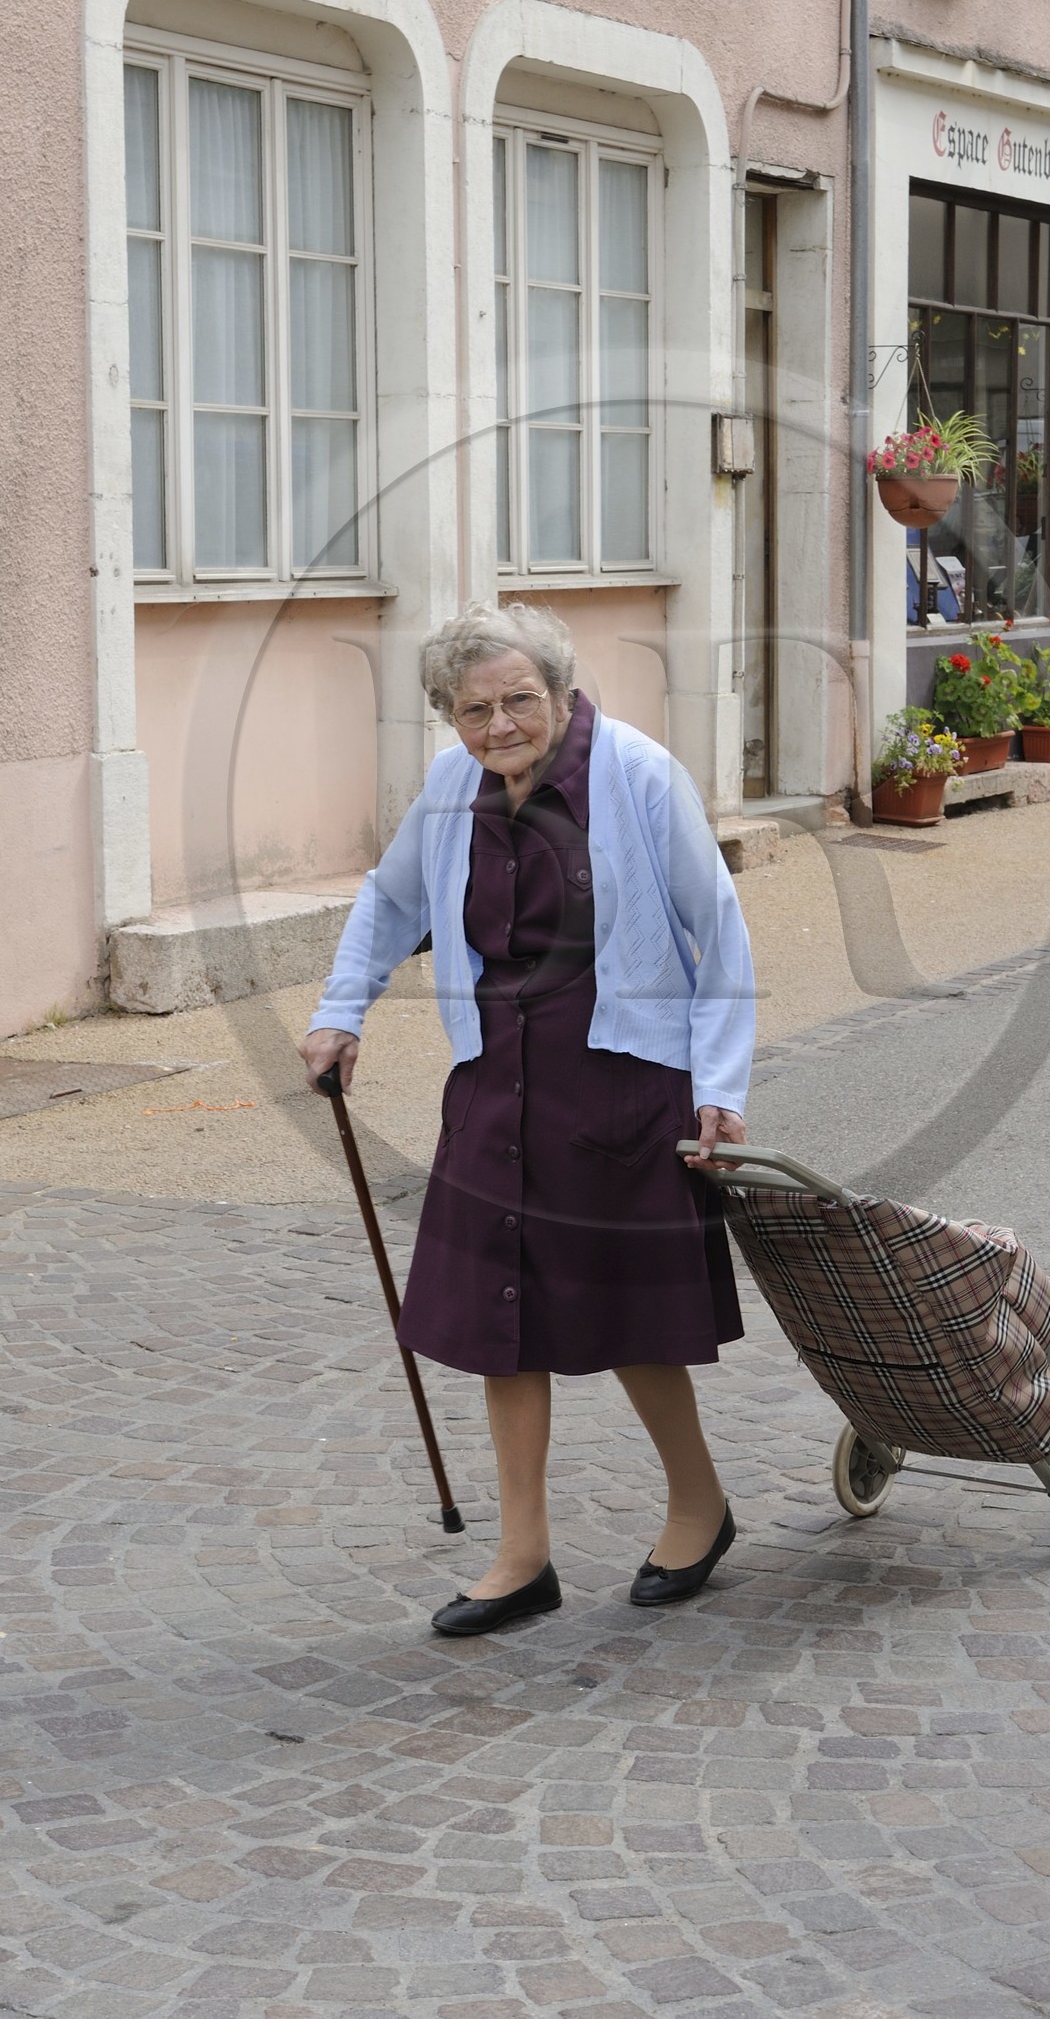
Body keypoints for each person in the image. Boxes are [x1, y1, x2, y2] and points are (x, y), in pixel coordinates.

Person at [301, 603, 754, 1637]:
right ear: (448, 717)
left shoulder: (636, 773)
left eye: (518, 700)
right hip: (496, 1077)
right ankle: (523, 1554)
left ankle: (698, 1505)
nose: (498, 725)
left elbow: (715, 927)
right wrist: (340, 1010)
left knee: (634, 1314)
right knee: (500, 1321)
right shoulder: (454, 788)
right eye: (473, 709)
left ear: (558, 691)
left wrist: (720, 1085)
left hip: (621, 1077)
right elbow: (390, 898)